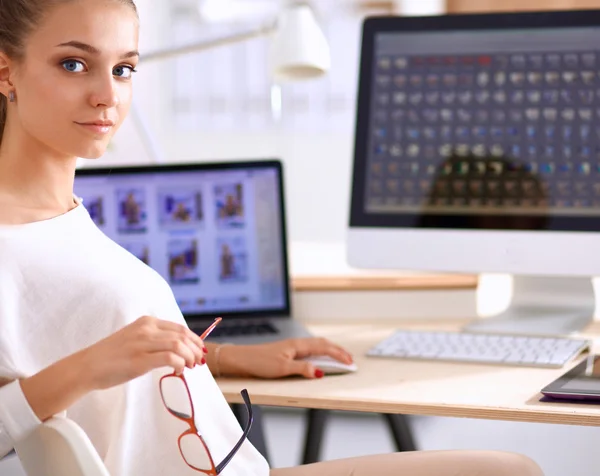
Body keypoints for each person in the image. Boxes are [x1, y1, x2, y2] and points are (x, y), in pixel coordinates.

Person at [0, 1, 545, 475]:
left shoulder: (62, 216)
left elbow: (88, 340)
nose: (106, 95)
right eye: (73, 64)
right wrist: (90, 366)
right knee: (512, 470)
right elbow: (66, 377)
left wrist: (229, 357)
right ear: (6, 71)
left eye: (122, 69)